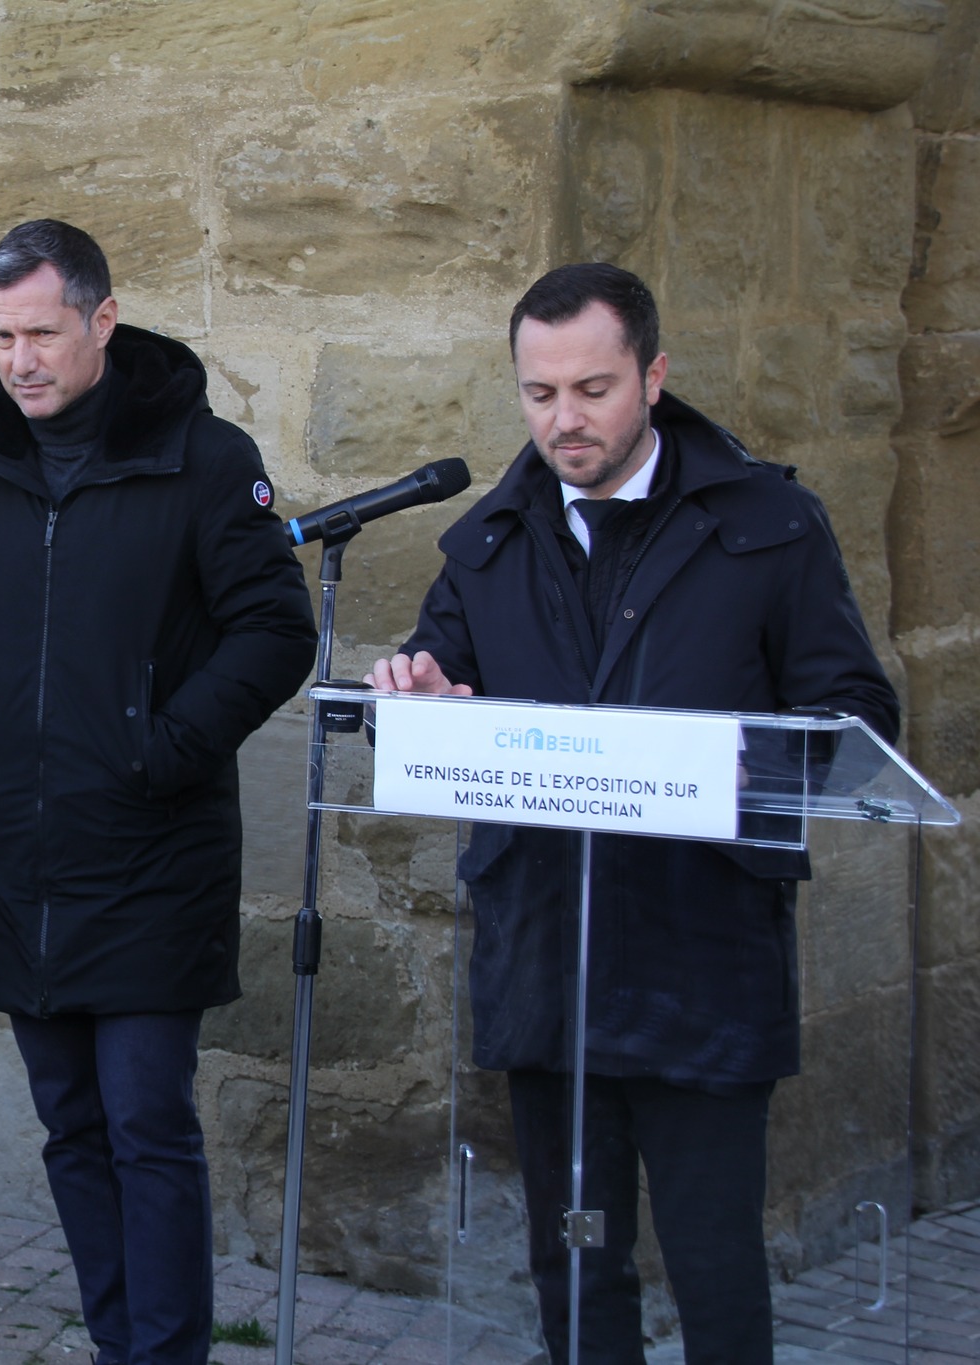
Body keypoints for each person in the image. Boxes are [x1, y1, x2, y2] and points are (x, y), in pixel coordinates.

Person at [366, 262, 899, 1363]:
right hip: (545, 960)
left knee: (711, 1265)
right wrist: (413, 706)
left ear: (652, 376)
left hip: (699, 956)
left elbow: (853, 715)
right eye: (539, 393)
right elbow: (435, 688)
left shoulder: (766, 525)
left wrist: (710, 767)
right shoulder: (485, 543)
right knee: (574, 1259)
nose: (563, 420)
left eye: (592, 390)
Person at [0, 219, 316, 1365]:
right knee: (71, 1125)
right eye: (0, 335)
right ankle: (115, 1343)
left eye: (41, 331)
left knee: (144, 1121)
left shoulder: (200, 455)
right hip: (20, 848)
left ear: (101, 320)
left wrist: (165, 747)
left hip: (151, 850)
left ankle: (166, 1351)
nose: (19, 360)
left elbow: (273, 628)